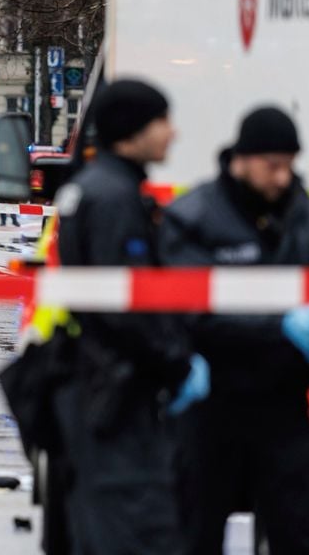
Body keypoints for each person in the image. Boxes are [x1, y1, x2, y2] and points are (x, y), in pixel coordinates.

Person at [159, 106, 309, 554]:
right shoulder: (195, 218)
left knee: (303, 533)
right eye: (273, 165)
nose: (283, 177)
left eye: (289, 164)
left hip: (283, 408)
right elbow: (191, 308)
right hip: (211, 408)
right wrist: (281, 328)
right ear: (242, 159)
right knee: (192, 533)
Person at [50, 79, 206, 554]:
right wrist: (177, 361)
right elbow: (127, 304)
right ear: (132, 130)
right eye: (162, 122)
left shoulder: (92, 188)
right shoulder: (116, 198)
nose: (172, 134)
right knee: (134, 528)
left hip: (97, 382)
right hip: (120, 392)